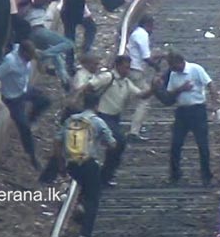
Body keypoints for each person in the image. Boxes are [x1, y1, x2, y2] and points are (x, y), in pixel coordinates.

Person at [85, 55, 154, 187]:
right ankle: (103, 176)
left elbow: (141, 95)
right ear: (117, 66)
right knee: (118, 142)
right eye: (125, 67)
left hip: (114, 117)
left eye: (128, 67)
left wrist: (154, 89)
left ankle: (105, 176)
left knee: (116, 146)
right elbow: (89, 86)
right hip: (102, 116)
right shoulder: (108, 77)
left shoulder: (126, 82)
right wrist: (89, 104)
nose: (127, 70)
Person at [54, 92, 116, 237]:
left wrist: (61, 165)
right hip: (89, 165)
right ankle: (85, 232)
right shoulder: (98, 121)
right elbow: (112, 144)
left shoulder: (70, 120)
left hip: (72, 164)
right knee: (93, 199)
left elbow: (56, 141)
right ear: (97, 105)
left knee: (72, 196)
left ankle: (76, 213)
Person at [0, 40, 50, 170]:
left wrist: (39, 62)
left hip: (23, 90)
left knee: (45, 100)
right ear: (23, 53)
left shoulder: (26, 54)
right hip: (12, 98)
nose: (29, 60)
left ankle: (32, 119)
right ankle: (32, 156)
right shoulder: (10, 62)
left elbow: (39, 60)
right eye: (28, 57)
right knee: (24, 127)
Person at [164, 52, 219, 186]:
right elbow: (170, 92)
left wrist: (214, 103)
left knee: (202, 144)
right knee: (176, 143)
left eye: (173, 65)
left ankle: (206, 175)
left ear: (180, 62)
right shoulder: (173, 74)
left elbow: (210, 84)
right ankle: (175, 174)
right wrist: (181, 89)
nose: (172, 69)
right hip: (182, 111)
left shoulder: (195, 69)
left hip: (197, 110)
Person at [126, 15, 162, 142]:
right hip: (136, 70)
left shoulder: (136, 33)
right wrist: (158, 68)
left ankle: (133, 128)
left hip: (133, 69)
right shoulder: (142, 34)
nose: (153, 29)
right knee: (144, 98)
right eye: (152, 26)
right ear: (148, 24)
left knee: (134, 97)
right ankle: (134, 131)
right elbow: (146, 57)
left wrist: (159, 56)